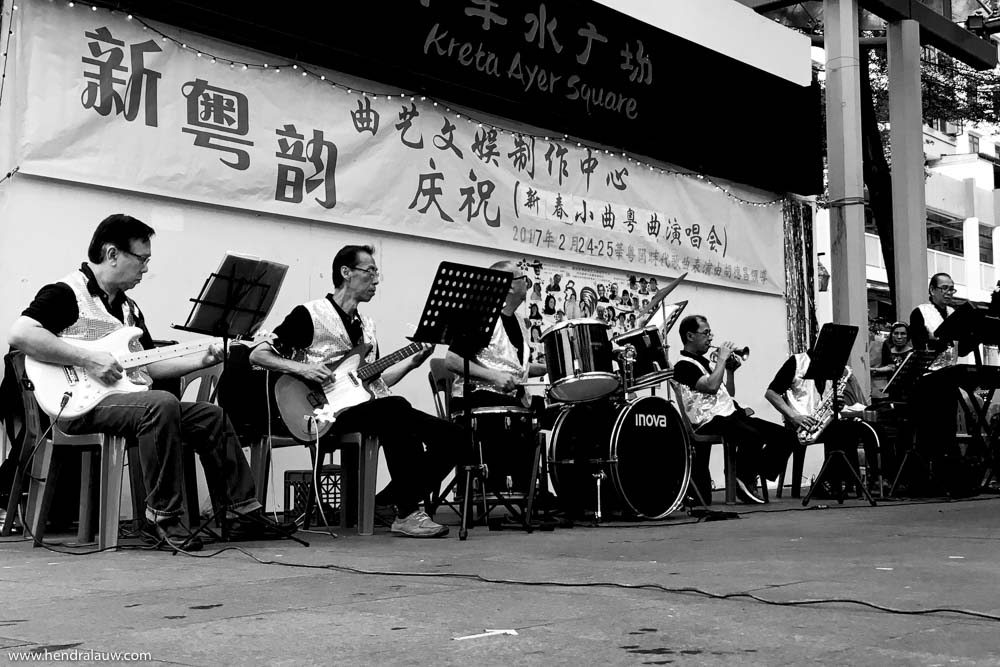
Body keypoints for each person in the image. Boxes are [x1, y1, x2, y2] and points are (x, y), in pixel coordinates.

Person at [6, 214, 286, 551]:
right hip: (78, 404)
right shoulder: (66, 293)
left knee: (211, 416)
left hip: (123, 403)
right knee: (161, 404)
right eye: (142, 259)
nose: (145, 269)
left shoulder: (129, 310)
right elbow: (21, 334)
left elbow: (150, 365)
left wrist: (207, 357)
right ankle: (162, 518)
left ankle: (241, 514)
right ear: (112, 254)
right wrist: (86, 358)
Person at [248, 245, 463, 537]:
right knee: (394, 409)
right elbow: (258, 355)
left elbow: (376, 383)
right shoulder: (310, 314)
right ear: (346, 272)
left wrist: (412, 363)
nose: (376, 281)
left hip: (362, 408)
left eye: (377, 274)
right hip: (319, 411)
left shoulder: (368, 328)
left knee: (454, 437)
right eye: (370, 272)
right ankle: (408, 511)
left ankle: (387, 501)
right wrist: (305, 369)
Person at [672, 315, 795, 504]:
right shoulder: (683, 365)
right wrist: (721, 359)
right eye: (706, 333)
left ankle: (744, 475)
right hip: (709, 421)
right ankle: (743, 479)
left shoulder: (704, 363)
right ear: (690, 336)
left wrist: (729, 372)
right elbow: (711, 386)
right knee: (753, 435)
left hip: (729, 415)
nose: (710, 338)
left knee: (786, 436)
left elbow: (726, 394)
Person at [765, 350, 877, 497]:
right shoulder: (797, 361)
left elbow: (829, 401)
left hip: (824, 421)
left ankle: (839, 482)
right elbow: (771, 393)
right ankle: (830, 483)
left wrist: (838, 403)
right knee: (841, 433)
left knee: (854, 429)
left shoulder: (832, 366)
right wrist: (794, 417)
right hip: (800, 423)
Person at [445, 260, 547, 412]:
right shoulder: (482, 316)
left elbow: (511, 367)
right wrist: (494, 377)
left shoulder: (519, 321)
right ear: (510, 286)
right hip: (479, 399)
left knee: (555, 406)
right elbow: (452, 360)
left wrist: (549, 368)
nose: (527, 283)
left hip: (510, 399)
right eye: (524, 278)